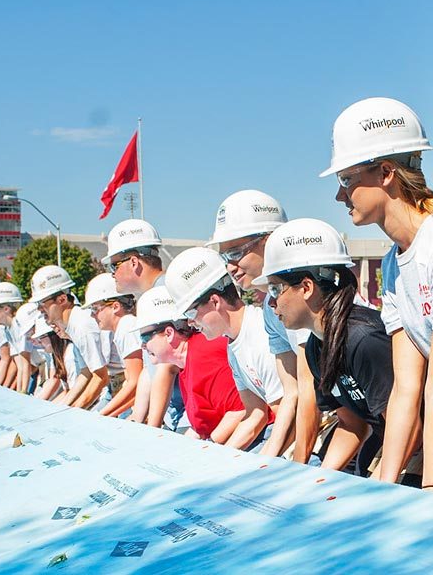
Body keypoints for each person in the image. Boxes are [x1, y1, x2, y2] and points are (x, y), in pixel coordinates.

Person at [321, 97, 433, 496]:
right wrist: (383, 488)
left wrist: (431, 489)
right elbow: (408, 389)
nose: (341, 196)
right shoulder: (392, 264)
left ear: (386, 172)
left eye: (346, 180)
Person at [258, 219, 398, 475]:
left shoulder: (364, 339)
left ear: (307, 288)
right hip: (388, 439)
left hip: (428, 440)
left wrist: (379, 485)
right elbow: (351, 422)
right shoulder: (316, 346)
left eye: (275, 288)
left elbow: (408, 425)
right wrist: (317, 478)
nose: (270, 302)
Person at [209, 190, 315, 458]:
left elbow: (309, 389)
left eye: (235, 252)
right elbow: (292, 393)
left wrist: (297, 460)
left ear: (269, 242)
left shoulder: (303, 295)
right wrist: (266, 459)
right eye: (225, 258)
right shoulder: (271, 305)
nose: (230, 267)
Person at [168, 247, 288, 451]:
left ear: (215, 301)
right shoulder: (233, 345)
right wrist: (216, 455)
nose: (189, 322)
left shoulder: (260, 336)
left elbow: (288, 413)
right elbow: (255, 413)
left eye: (190, 312)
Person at [131, 287, 245, 440]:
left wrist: (207, 448)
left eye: (145, 338)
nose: (142, 346)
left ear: (169, 333)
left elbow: (240, 411)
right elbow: (201, 427)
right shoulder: (188, 361)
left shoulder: (203, 355)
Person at [106, 219, 186, 430]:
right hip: (170, 414)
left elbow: (167, 367)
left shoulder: (165, 293)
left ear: (133, 262)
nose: (111, 274)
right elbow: (149, 370)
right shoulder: (150, 297)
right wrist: (137, 417)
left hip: (185, 415)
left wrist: (151, 426)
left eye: (114, 265)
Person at [31, 266, 110, 410]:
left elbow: (101, 377)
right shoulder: (74, 326)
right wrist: (65, 407)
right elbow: (85, 373)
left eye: (42, 303)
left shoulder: (81, 326)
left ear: (62, 299)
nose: (39, 309)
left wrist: (76, 410)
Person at [88, 275, 145, 418]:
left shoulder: (126, 327)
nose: (92, 315)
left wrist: (103, 414)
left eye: (95, 309)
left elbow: (136, 382)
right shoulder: (123, 328)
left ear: (115, 307)